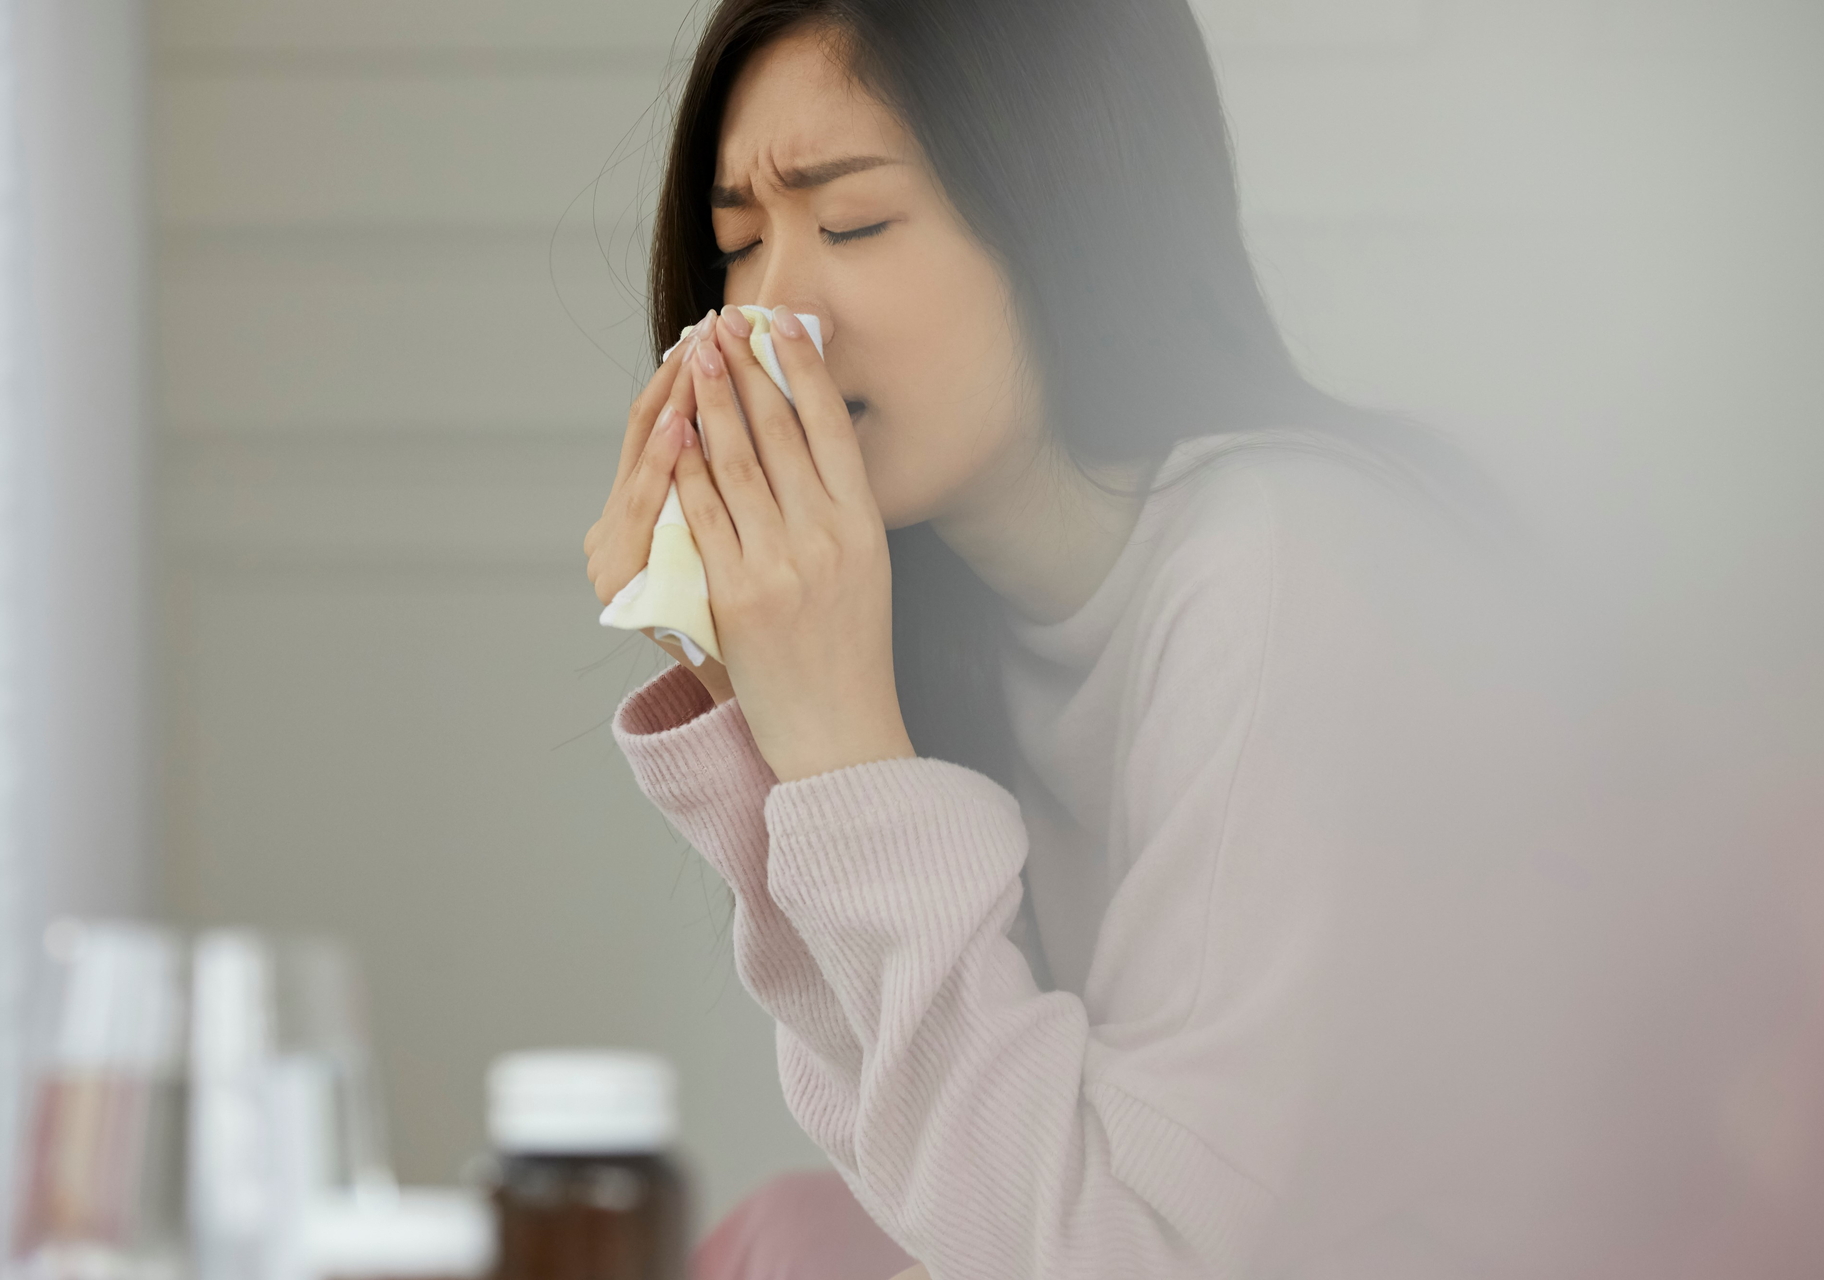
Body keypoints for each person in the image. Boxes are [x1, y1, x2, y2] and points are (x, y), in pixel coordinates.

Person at [582, 1, 1558, 1276]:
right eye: (738, 244)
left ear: (1070, 211)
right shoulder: (953, 623)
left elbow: (1123, 1251)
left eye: (854, 222)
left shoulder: (1289, 563)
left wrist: (835, 752)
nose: (770, 323)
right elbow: (942, 1176)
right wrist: (745, 696)